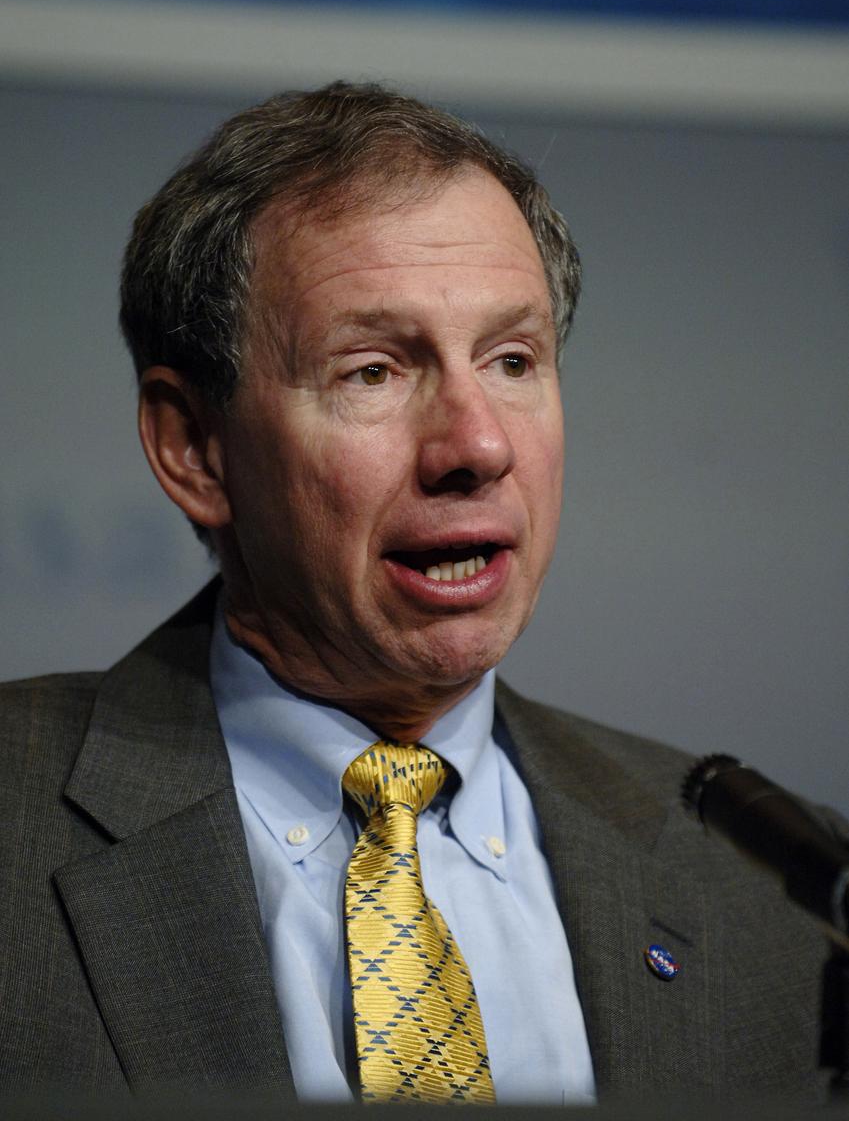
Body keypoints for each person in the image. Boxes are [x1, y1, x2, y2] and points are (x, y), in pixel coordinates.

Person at [0, 83, 841, 1105]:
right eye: (373, 371)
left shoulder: (778, 889)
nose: (479, 444)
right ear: (194, 447)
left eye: (514, 359)